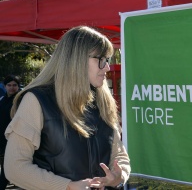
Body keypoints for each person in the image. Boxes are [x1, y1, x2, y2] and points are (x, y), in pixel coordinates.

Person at [4, 26, 131, 190]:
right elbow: (15, 168)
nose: (106, 67)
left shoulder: (103, 101)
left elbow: (120, 155)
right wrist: (68, 186)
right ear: (76, 60)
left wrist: (118, 177)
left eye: (107, 60)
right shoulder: (36, 100)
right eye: (101, 59)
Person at [0, 75, 21, 190]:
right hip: (1, 137)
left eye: (14, 85)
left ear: (18, 86)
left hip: (12, 137)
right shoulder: (3, 99)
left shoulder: (19, 100)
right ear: (4, 86)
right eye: (9, 85)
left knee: (6, 165)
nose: (12, 88)